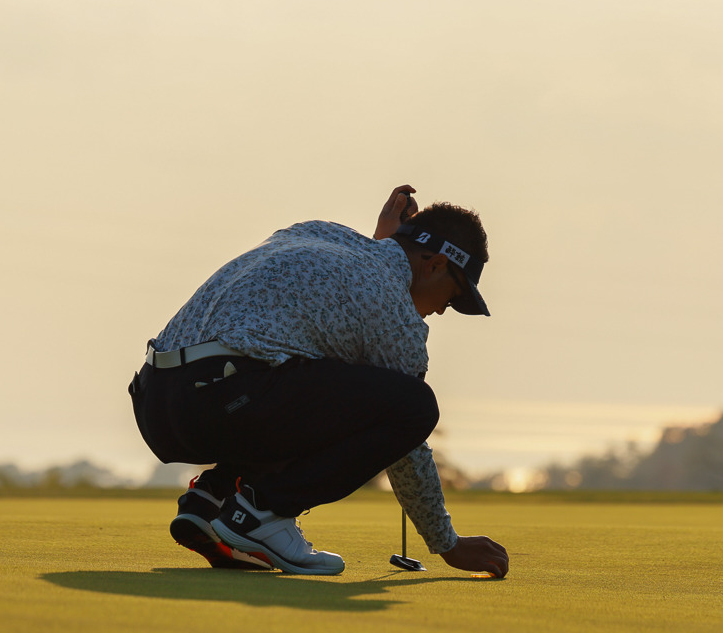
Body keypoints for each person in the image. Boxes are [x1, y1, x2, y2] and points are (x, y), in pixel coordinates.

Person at [128, 185, 509, 578]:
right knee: (416, 405)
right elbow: (407, 441)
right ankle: (263, 514)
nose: (446, 310)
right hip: (223, 399)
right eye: (455, 294)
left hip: (157, 401)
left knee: (313, 369)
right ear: (436, 264)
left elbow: (342, 306)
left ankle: (211, 500)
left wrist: (387, 243)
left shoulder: (320, 233)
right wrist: (447, 542)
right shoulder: (394, 313)